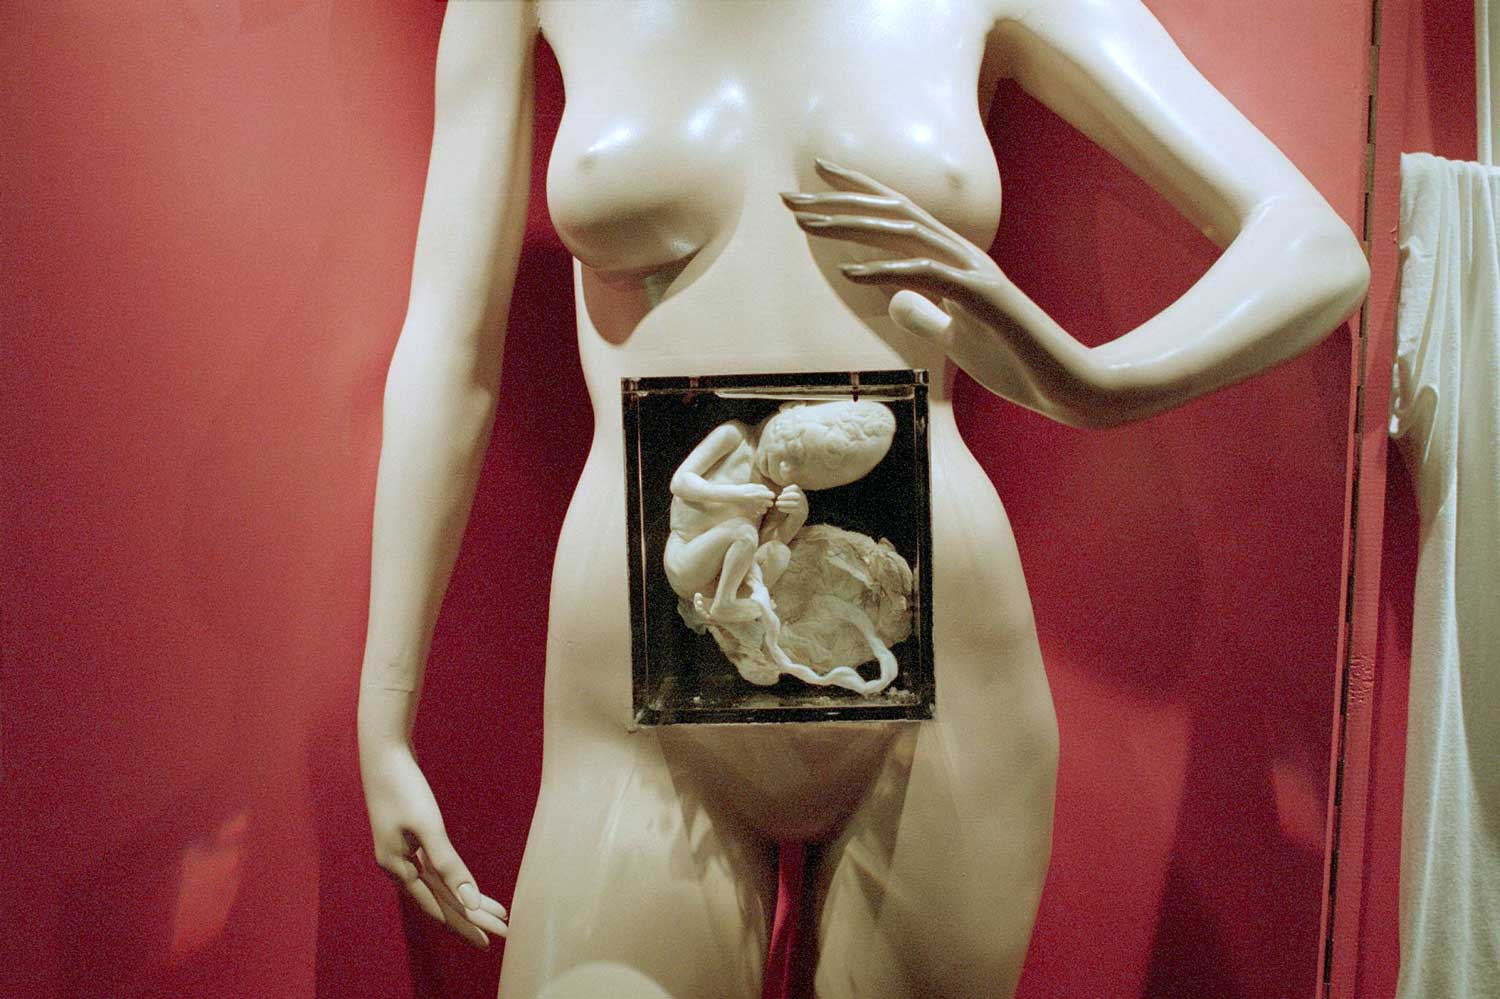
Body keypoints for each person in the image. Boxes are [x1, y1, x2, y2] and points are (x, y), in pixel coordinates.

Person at [357, 2, 1370, 997]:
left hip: (936, 643)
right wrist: (385, 709)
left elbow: (1314, 249)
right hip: (645, 653)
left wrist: (1094, 382)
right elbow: (449, 352)